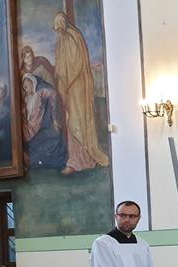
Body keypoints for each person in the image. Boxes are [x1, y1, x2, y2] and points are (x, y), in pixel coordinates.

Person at [53, 12, 110, 174]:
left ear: (63, 25)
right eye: (56, 30)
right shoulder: (64, 39)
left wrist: (63, 77)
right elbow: (61, 64)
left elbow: (75, 64)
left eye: (59, 28)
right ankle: (75, 160)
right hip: (70, 89)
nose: (58, 32)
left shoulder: (72, 37)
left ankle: (84, 159)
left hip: (77, 87)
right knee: (71, 121)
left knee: (78, 120)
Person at [21, 74, 67, 170]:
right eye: (24, 88)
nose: (26, 90)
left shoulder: (40, 92)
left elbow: (53, 93)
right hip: (32, 125)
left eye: (26, 86)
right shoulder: (27, 98)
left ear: (31, 83)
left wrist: (53, 113)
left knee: (51, 137)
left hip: (42, 123)